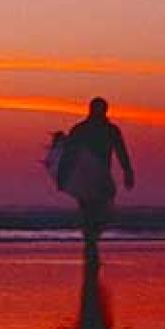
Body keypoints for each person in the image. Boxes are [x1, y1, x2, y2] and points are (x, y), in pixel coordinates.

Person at [54, 97, 135, 254]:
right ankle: (91, 240)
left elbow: (121, 151)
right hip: (84, 177)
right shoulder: (82, 129)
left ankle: (91, 239)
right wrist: (62, 174)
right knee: (89, 209)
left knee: (99, 209)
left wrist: (128, 171)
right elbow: (69, 153)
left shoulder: (108, 130)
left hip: (101, 175)